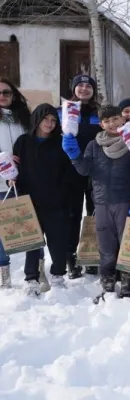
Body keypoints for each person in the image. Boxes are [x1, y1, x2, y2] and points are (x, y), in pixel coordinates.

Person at [64, 105, 130, 298]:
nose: (112, 124)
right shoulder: (94, 145)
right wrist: (74, 156)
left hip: (124, 201)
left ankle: (127, 284)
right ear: (101, 124)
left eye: (115, 119)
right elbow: (85, 170)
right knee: (106, 246)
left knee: (127, 245)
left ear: (122, 120)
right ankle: (107, 284)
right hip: (101, 202)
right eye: (107, 121)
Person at [11, 104, 74, 294]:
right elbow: (16, 169)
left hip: (55, 202)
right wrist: (12, 182)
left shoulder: (60, 143)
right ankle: (31, 278)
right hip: (29, 201)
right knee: (32, 241)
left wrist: (63, 195)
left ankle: (57, 275)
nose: (50, 123)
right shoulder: (23, 142)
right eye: (46, 119)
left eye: (54, 120)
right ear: (37, 119)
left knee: (57, 241)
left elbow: (67, 173)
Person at [62, 74, 102, 280]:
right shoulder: (65, 111)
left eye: (89, 86)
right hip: (71, 171)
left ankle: (92, 255)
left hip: (96, 170)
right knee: (73, 215)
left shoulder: (99, 112)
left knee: (95, 214)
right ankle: (71, 259)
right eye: (80, 85)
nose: (84, 89)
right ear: (74, 88)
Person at [0, 78, 30, 288]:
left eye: (6, 92)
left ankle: (36, 268)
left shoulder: (25, 118)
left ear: (14, 95)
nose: (2, 96)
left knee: (32, 224)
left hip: (26, 180)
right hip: (1, 183)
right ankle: (4, 272)